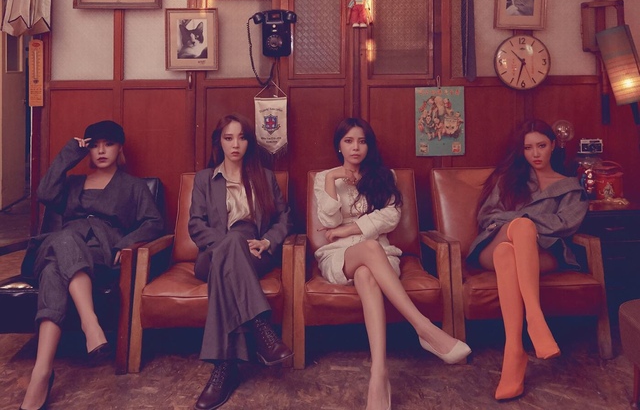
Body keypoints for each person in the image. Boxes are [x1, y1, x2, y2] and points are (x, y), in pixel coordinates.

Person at [315, 117, 470, 410]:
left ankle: (379, 375)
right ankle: (424, 328)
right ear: (339, 146)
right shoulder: (324, 177)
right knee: (369, 247)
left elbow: (391, 217)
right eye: (348, 141)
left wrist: (349, 229)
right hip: (338, 256)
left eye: (362, 141)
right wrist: (332, 179)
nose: (355, 147)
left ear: (369, 146)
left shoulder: (384, 176)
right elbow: (328, 220)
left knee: (367, 272)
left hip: (381, 259)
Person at [19, 120, 164, 410]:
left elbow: (154, 223)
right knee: (64, 239)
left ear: (120, 148)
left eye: (108, 144)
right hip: (58, 244)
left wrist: (124, 244)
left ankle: (41, 373)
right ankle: (90, 323)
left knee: (52, 272)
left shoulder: (134, 186)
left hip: (99, 254)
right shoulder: (73, 183)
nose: (101, 151)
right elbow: (44, 193)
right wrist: (71, 151)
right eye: (94, 145)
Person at [466, 119, 588, 400]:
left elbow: (566, 224)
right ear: (521, 150)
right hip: (493, 243)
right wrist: (523, 222)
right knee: (520, 229)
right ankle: (535, 319)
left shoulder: (570, 188)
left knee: (508, 252)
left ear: (553, 145)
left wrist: (527, 223)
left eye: (541, 146)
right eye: (528, 148)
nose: (535, 154)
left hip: (545, 252)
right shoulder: (508, 179)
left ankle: (514, 352)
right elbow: (488, 217)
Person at [189, 113, 293, 410]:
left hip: (253, 254)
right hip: (212, 253)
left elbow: (285, 219)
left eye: (242, 137)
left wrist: (267, 241)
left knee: (235, 249)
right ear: (219, 142)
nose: (235, 144)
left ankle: (224, 368)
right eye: (228, 138)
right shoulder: (204, 179)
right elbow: (196, 225)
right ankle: (261, 327)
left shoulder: (265, 177)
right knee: (232, 242)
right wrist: (227, 243)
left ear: (249, 142)